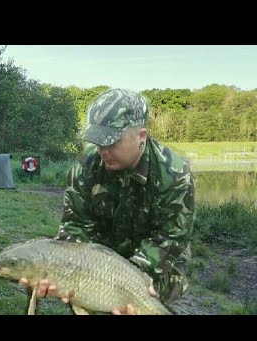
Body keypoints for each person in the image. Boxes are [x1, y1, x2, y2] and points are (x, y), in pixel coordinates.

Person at [19, 88, 195, 314]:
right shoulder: (84, 167)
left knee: (145, 304)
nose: (102, 150)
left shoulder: (176, 173)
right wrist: (61, 268)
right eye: (98, 142)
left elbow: (170, 238)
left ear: (141, 136)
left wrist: (131, 281)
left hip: (159, 262)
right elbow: (75, 226)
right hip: (97, 262)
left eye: (111, 142)